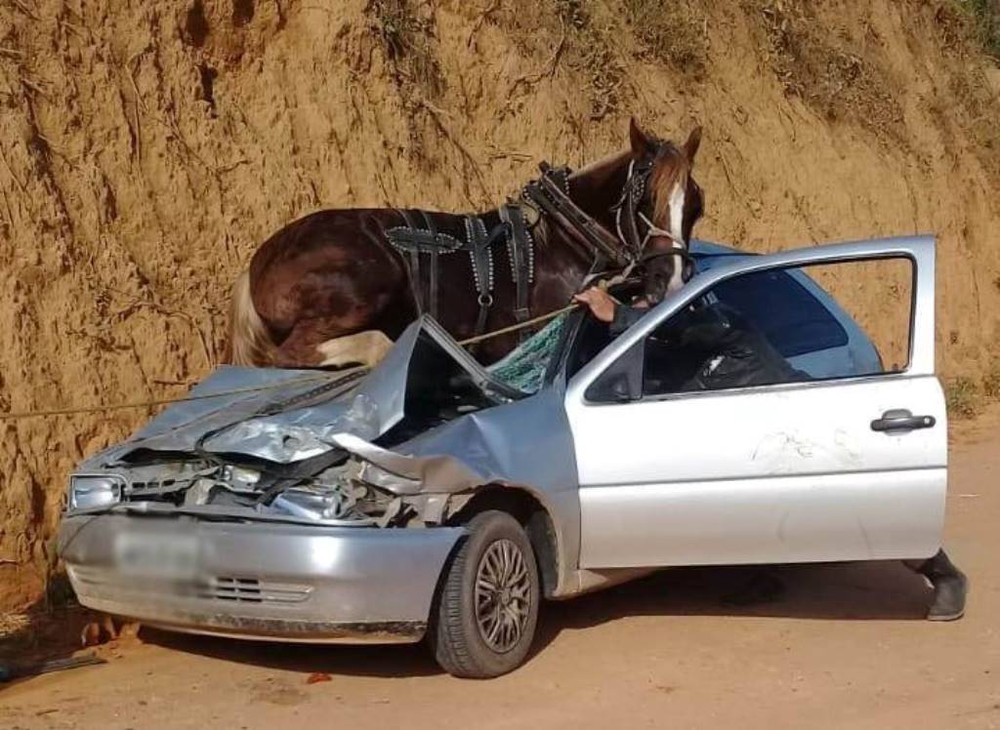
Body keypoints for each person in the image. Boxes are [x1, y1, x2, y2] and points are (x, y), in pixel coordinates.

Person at [573, 285, 968, 620]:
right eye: (643, 306)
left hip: (805, 427)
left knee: (867, 509)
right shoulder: (679, 354)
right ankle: (765, 573)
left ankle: (945, 574)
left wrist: (621, 315)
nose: (647, 314)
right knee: (743, 501)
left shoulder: (727, 328)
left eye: (652, 308)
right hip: (755, 445)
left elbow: (686, 333)